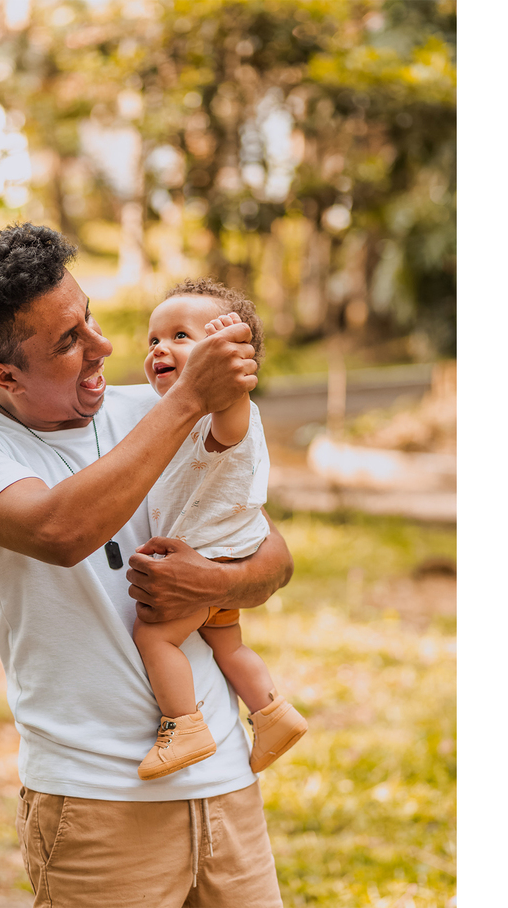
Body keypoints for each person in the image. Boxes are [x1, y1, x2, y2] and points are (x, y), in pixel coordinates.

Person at [0, 223, 293, 908]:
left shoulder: (152, 406)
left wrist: (213, 583)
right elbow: (60, 530)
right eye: (69, 341)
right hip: (95, 801)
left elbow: (272, 557)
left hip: (225, 784)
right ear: (5, 375)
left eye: (88, 317)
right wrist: (190, 399)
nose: (104, 347)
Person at [133, 280, 308, 782]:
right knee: (228, 647)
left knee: (154, 637)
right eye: (153, 339)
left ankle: (184, 725)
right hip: (225, 554)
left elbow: (230, 410)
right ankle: (272, 715)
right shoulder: (178, 415)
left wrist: (227, 357)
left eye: (180, 336)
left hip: (207, 558)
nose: (159, 348)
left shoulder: (226, 413)